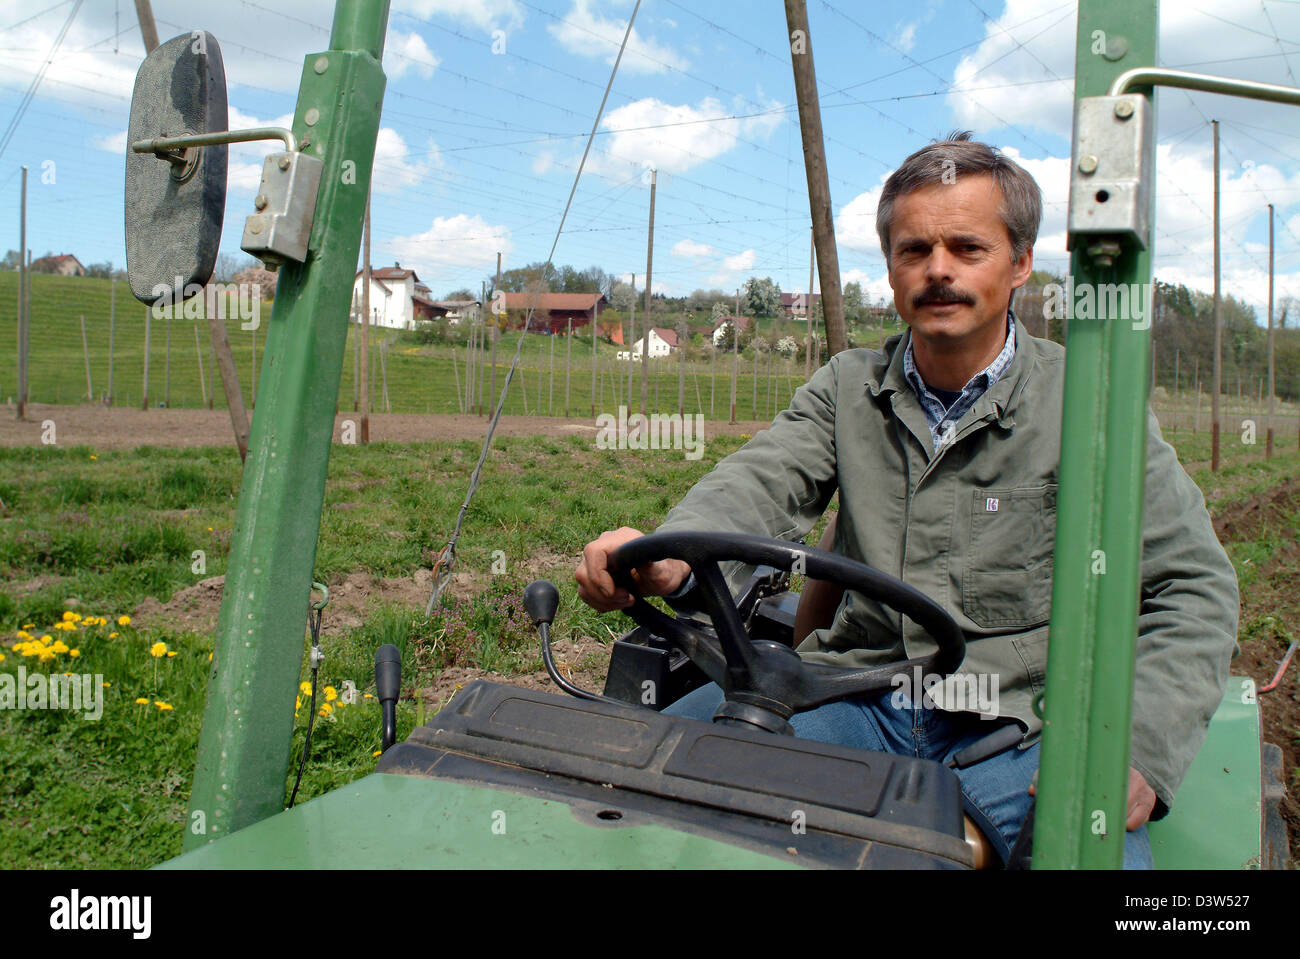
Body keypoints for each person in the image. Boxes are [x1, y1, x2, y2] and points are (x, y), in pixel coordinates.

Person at [574, 132, 1239, 869]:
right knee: (644, 785)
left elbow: (1193, 585)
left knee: (1081, 854)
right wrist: (669, 558)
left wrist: (1137, 746)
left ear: (1020, 262)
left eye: (966, 247)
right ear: (891, 268)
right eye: (914, 250)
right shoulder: (847, 388)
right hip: (853, 696)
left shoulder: (1091, 403)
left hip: (1028, 723)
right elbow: (760, 483)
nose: (938, 271)